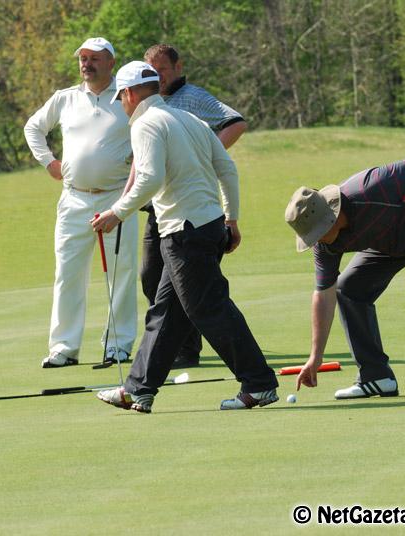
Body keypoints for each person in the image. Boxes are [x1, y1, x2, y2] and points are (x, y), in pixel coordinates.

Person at [91, 61, 278, 413]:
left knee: (209, 310)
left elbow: (149, 178)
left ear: (130, 93)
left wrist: (117, 213)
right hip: (206, 226)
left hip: (184, 232)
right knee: (167, 314)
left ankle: (259, 383)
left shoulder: (146, 124)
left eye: (121, 97)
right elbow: (227, 168)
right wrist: (231, 218)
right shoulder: (188, 119)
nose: (122, 105)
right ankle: (138, 389)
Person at [285, 155, 405, 398]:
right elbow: (323, 293)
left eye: (318, 233)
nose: (316, 241)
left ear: (333, 216)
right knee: (348, 289)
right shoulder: (325, 244)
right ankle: (376, 377)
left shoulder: (369, 188)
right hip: (390, 242)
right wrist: (315, 358)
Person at [131, 43, 247, 369]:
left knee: (189, 286)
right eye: (150, 71)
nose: (157, 76)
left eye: (162, 69)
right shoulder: (148, 106)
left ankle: (185, 351)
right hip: (160, 205)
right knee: (151, 277)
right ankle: (169, 351)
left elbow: (234, 122)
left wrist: (205, 156)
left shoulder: (193, 97)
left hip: (189, 209)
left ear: (178, 66)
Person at [23, 37, 138, 368]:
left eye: (94, 59)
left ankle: (118, 345)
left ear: (110, 63)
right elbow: (33, 128)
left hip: (118, 198)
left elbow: (147, 132)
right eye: (83, 58)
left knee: (122, 272)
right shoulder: (66, 98)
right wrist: (49, 162)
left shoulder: (127, 97)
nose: (86, 64)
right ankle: (63, 347)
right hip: (74, 199)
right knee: (68, 272)